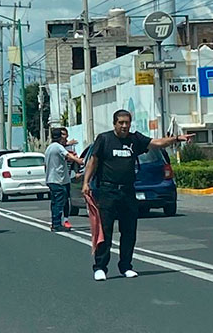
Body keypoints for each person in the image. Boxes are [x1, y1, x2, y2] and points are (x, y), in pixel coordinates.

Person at [82, 109, 193, 281]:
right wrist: (86, 182)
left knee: (129, 231)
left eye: (127, 122)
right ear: (115, 124)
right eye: (121, 123)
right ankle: (100, 267)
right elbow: (93, 161)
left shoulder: (135, 139)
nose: (125, 126)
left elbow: (156, 143)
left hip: (127, 191)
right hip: (108, 191)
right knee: (105, 230)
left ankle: (126, 266)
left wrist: (177, 139)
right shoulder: (104, 139)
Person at [45, 128, 84, 232]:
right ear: (60, 137)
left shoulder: (49, 148)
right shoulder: (58, 147)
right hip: (58, 180)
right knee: (59, 202)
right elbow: (67, 155)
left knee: (55, 202)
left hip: (52, 179)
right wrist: (79, 161)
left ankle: (55, 223)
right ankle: (57, 224)